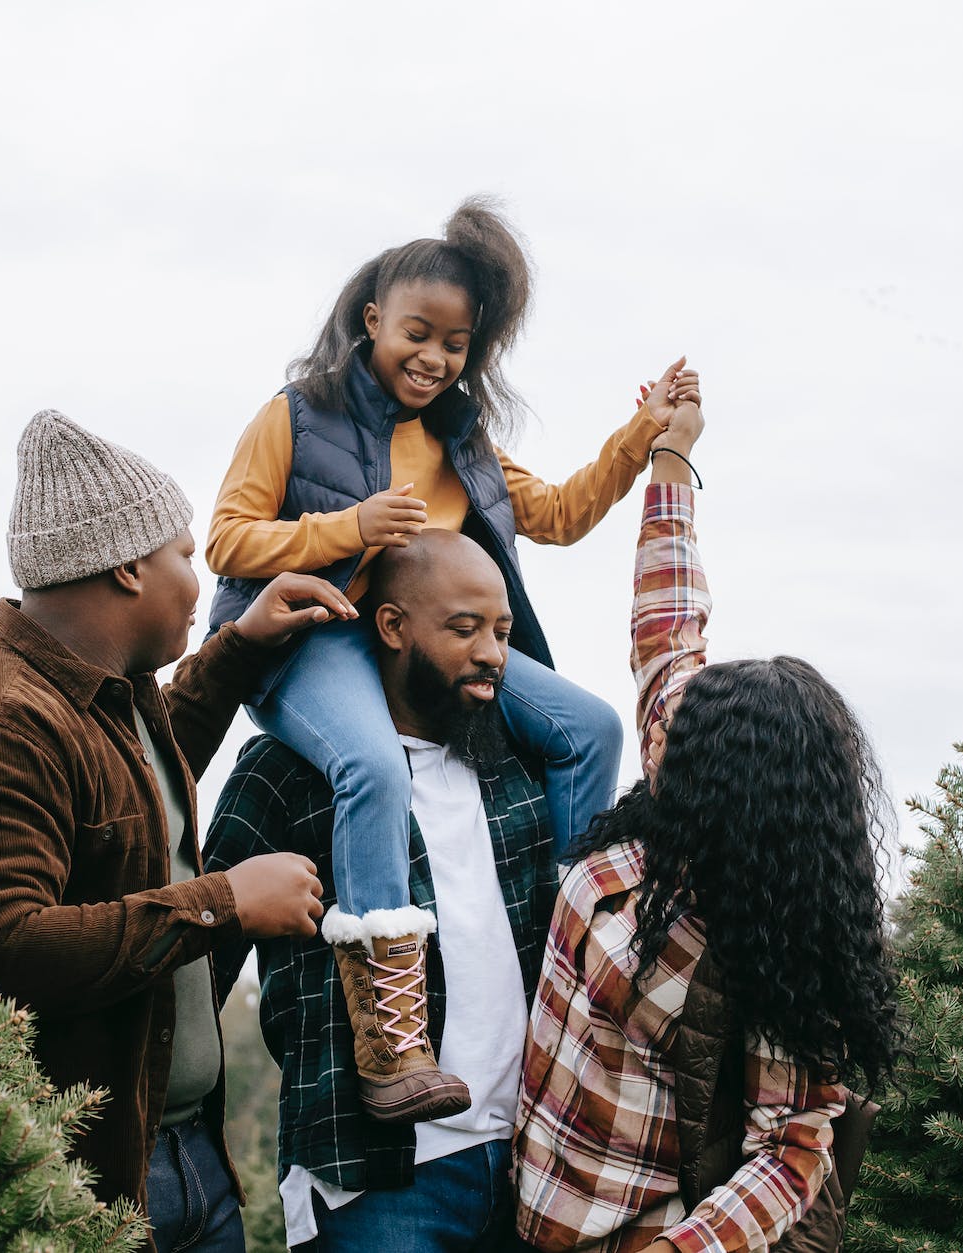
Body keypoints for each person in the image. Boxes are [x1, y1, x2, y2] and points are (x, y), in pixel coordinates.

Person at [204, 194, 696, 1122]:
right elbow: (227, 540)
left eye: (456, 344)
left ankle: (567, 956)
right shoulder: (297, 416)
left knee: (588, 727)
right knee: (370, 766)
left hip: (438, 642)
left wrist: (646, 435)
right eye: (417, 334)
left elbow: (555, 514)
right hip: (321, 633)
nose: (433, 359)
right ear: (372, 322)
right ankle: (392, 1040)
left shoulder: (462, 441)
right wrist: (346, 528)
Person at [0, 411, 352, 1253]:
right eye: (185, 554)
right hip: (81, 1191)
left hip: (187, 1162)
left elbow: (136, 781)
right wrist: (226, 904)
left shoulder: (113, 696)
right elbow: (0, 946)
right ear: (129, 568)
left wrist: (241, 646)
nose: (199, 575)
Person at [514, 400, 904, 1252]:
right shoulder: (682, 756)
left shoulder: (777, 939)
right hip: (524, 1214)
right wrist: (670, 460)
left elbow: (792, 1151)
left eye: (682, 753)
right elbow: (666, 619)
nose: (658, 743)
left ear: (736, 798)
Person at [202, 530, 555, 1252]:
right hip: (374, 1182)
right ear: (392, 626)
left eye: (502, 631)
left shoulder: (515, 769)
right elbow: (200, 962)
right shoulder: (287, 771)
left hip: (528, 1165)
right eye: (464, 628)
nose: (491, 652)